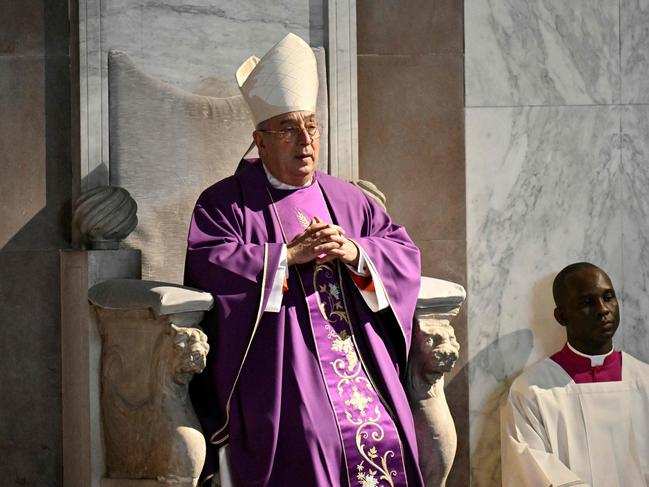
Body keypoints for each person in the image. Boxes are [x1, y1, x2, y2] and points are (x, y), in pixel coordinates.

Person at [185, 33, 424, 487]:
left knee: (391, 431)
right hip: (279, 361)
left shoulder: (350, 200)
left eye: (311, 127)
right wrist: (284, 258)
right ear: (259, 140)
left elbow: (403, 256)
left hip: (358, 359)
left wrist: (355, 254)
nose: (305, 141)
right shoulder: (225, 203)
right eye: (288, 129)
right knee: (317, 438)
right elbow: (209, 263)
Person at [501, 262, 649, 487]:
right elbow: (532, 471)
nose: (603, 309)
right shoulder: (531, 391)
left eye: (608, 297)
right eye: (587, 302)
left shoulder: (644, 380)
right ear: (562, 316)